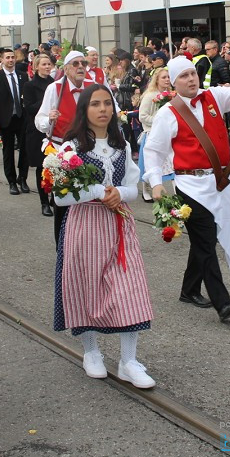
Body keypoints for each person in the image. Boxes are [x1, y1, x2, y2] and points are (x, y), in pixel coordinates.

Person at [143, 57, 230, 322]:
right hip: (190, 186)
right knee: (206, 239)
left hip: (218, 182)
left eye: (193, 73)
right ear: (173, 82)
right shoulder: (166, 114)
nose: (191, 79)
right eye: (183, 76)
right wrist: (157, 184)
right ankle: (222, 302)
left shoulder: (214, 97)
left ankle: (189, 289)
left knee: (203, 239)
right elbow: (154, 151)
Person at [52, 85, 155, 388]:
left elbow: (134, 187)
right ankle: (91, 351)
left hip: (119, 225)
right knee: (86, 287)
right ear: (84, 110)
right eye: (95, 104)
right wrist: (99, 192)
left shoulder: (120, 143)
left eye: (107, 103)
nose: (102, 109)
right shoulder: (70, 147)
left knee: (129, 287)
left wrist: (119, 193)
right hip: (85, 225)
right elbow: (60, 196)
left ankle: (128, 360)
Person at [35, 51, 93, 244]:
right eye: (75, 63)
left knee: (88, 199)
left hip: (88, 150)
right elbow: (39, 119)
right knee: (64, 200)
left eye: (83, 63)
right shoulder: (55, 89)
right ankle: (61, 245)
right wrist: (48, 119)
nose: (80, 67)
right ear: (66, 68)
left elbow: (114, 111)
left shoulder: (94, 87)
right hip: (62, 151)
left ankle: (85, 243)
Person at [0, 48, 31, 196]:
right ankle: (12, 181)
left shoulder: (22, 76)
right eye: (8, 58)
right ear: (2, 59)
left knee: (25, 150)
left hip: (22, 118)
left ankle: (23, 178)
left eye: (12, 57)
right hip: (5, 120)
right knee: (8, 152)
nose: (11, 60)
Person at [23, 53, 56, 216]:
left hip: (53, 130)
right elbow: (29, 107)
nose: (47, 67)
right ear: (36, 67)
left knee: (56, 165)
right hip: (36, 131)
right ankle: (44, 201)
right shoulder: (30, 86)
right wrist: (46, 101)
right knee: (41, 167)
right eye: (44, 64)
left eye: (49, 64)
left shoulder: (55, 84)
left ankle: (54, 197)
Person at [137, 67, 173, 202]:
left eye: (169, 77)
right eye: (164, 77)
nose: (167, 80)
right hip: (151, 132)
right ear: (157, 79)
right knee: (148, 163)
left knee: (169, 162)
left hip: (167, 133)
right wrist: (159, 121)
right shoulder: (150, 95)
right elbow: (143, 116)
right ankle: (145, 189)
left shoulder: (171, 95)